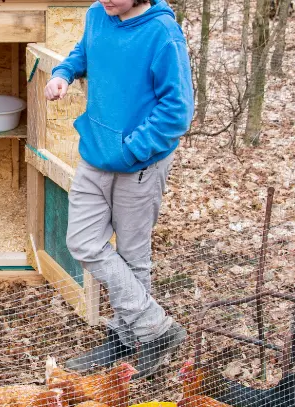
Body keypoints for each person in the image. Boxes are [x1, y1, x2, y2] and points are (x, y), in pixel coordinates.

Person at [45, 0, 194, 379]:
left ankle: (129, 341)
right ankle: (155, 328)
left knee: (132, 255)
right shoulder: (98, 14)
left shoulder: (162, 34)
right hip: (95, 155)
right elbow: (85, 50)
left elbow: (177, 111)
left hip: (139, 164)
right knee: (82, 241)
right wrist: (65, 72)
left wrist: (132, 150)